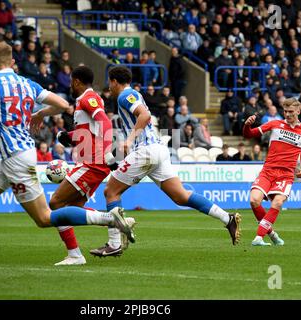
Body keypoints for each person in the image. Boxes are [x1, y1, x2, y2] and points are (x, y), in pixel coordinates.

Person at [0, 42, 134, 279]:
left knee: (46, 217)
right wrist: (39, 113)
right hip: (8, 157)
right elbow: (62, 104)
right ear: (12, 61)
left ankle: (110, 219)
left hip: (15, 157)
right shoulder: (27, 83)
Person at [90, 66, 242, 256]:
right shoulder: (133, 94)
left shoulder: (124, 96)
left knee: (111, 191)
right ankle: (227, 219)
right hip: (159, 150)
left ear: (114, 81)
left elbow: (144, 115)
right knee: (181, 196)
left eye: (109, 83)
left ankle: (114, 244)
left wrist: (129, 140)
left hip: (145, 151)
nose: (109, 88)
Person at [31, 65, 134, 265]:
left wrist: (106, 153)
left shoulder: (89, 98)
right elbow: (90, 131)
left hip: (92, 163)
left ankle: (79, 251)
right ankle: (112, 221)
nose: (70, 84)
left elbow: (104, 122)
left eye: (71, 81)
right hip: (91, 161)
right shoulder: (84, 101)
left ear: (77, 81)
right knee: (73, 209)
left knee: (55, 204)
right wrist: (68, 136)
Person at [243, 98, 301, 246]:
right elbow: (249, 134)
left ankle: (258, 238)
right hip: (268, 170)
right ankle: (272, 235)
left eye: (291, 112)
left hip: (286, 174)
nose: (287, 115)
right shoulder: (275, 124)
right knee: (254, 200)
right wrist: (247, 126)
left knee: (278, 202)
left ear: (298, 111)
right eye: (285, 111)